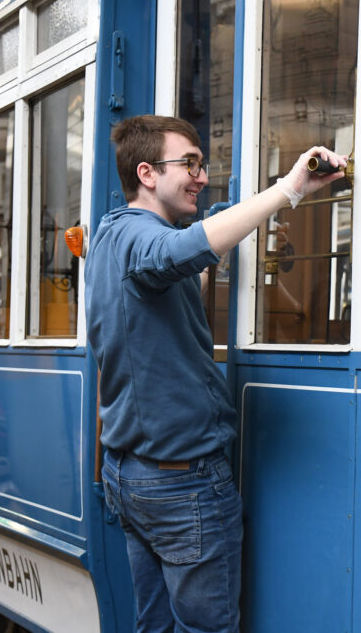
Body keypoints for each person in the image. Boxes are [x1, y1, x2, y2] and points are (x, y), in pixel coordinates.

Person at [85, 114, 347, 633]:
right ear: (147, 173)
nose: (200, 176)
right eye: (189, 164)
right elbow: (174, 252)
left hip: (133, 474)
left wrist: (218, 243)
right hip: (182, 483)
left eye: (202, 164)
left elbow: (169, 284)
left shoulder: (110, 236)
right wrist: (288, 189)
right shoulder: (143, 239)